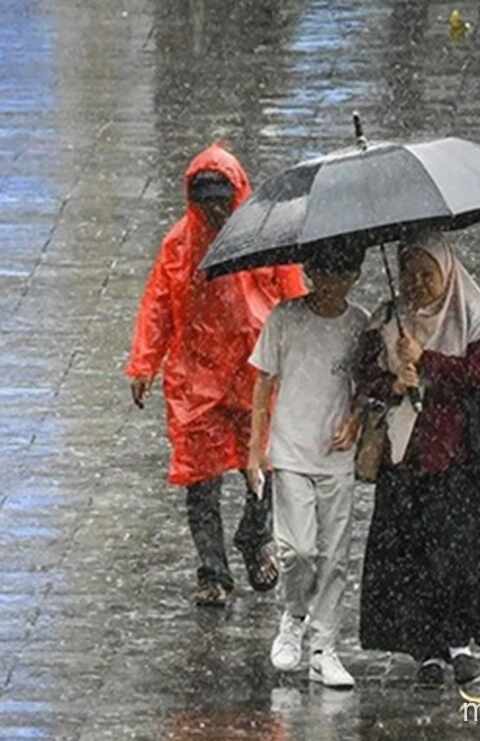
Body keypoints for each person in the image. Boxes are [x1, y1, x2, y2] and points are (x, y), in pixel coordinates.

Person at [126, 143, 307, 608]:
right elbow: (159, 305)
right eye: (205, 201)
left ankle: (256, 534)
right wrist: (145, 362)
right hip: (197, 375)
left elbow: (293, 294)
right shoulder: (180, 245)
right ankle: (212, 571)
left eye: (221, 200)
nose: (214, 211)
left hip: (254, 369)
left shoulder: (263, 239)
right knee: (201, 478)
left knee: (264, 461)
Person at [354, 229, 480, 688]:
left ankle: (460, 639)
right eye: (409, 274)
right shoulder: (387, 319)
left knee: (457, 555)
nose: (417, 284)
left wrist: (429, 361)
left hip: (462, 460)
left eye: (427, 274)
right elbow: (363, 377)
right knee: (410, 556)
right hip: (406, 459)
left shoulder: (473, 313)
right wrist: (393, 380)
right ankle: (427, 649)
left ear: (447, 272)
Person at [247, 244, 369, 690]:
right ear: (311, 272)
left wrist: (355, 418)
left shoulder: (359, 325)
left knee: (334, 555)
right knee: (297, 550)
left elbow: (366, 385)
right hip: (291, 451)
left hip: (336, 458)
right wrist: (255, 448)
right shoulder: (284, 318)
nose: (333, 282)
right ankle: (294, 614)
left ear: (355, 275)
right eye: (325, 272)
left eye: (344, 272)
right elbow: (263, 380)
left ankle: (324, 646)